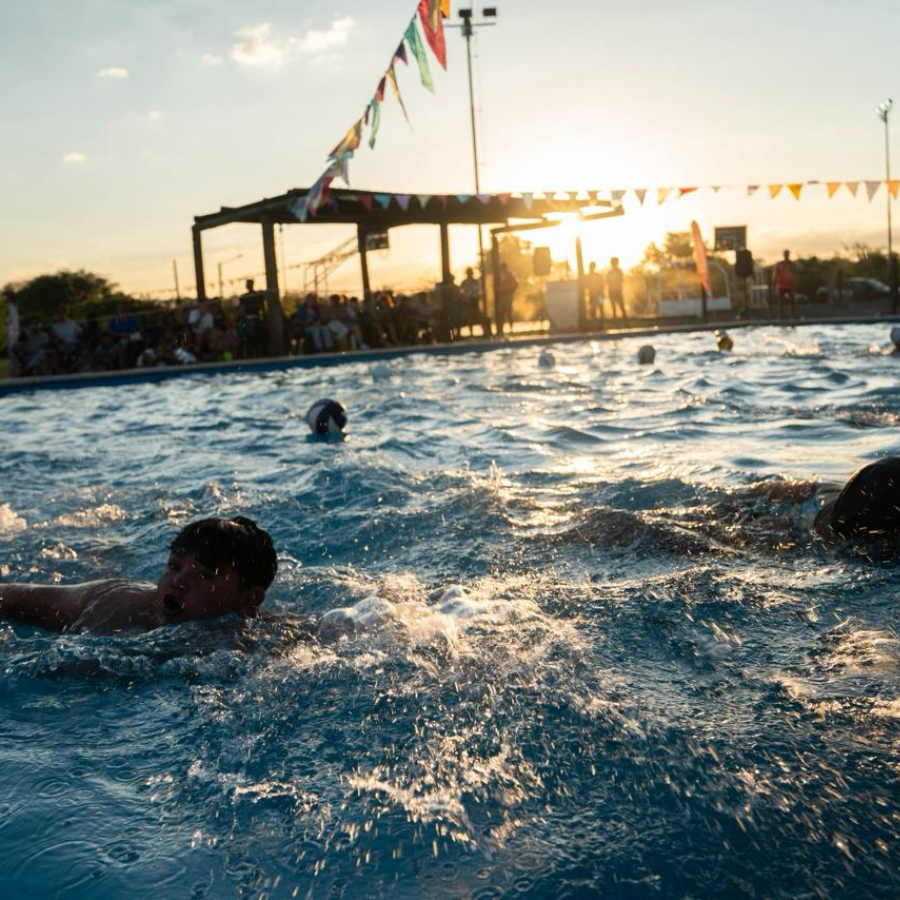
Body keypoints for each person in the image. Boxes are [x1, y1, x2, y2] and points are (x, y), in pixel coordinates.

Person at [0, 517, 277, 634]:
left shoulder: (254, 641)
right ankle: (99, 546)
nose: (179, 582)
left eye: (204, 576)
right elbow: (12, 595)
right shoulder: (114, 605)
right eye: (174, 566)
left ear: (249, 600)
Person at [772, 249, 797, 321]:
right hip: (781, 285)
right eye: (785, 254)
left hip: (790, 285)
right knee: (780, 302)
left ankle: (793, 317)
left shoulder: (792, 264)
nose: (786, 255)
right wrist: (774, 284)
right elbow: (775, 274)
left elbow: (795, 275)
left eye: (787, 254)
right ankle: (780, 317)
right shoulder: (779, 264)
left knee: (792, 301)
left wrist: (795, 285)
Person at [495, 262, 518, 336]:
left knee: (507, 313)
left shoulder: (509, 275)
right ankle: (502, 330)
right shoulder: (502, 275)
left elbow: (515, 284)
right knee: (503, 313)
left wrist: (507, 289)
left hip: (507, 296)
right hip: (503, 297)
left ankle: (510, 330)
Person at [606, 258, 628, 324]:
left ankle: (626, 323)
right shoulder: (610, 272)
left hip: (617, 291)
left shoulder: (618, 271)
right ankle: (616, 324)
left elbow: (621, 280)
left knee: (621, 307)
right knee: (614, 308)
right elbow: (607, 282)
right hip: (612, 292)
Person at [585, 262, 606, 327]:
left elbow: (602, 285)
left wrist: (602, 293)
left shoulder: (597, 275)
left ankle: (601, 324)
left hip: (598, 294)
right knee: (594, 310)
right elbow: (586, 286)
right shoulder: (588, 276)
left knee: (600, 309)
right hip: (593, 295)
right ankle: (596, 324)